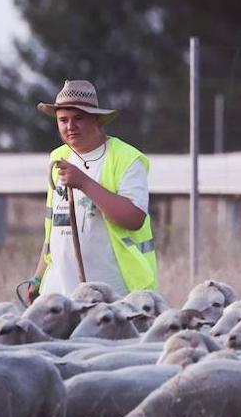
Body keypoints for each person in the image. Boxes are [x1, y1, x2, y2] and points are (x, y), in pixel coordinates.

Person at [26, 80, 157, 300]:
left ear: (96, 119)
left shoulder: (126, 158)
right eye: (63, 120)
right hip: (59, 293)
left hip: (113, 295)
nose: (70, 127)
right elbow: (54, 230)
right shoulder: (57, 158)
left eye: (78, 119)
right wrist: (39, 277)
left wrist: (85, 184)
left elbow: (133, 218)